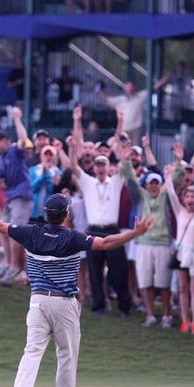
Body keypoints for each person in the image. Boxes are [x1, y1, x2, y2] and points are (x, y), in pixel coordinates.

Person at [0, 191, 151, 387]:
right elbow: (106, 243)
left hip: (37, 301)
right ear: (67, 214)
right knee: (67, 354)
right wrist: (135, 233)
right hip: (64, 303)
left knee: (32, 349)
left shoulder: (30, 233)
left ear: (45, 214)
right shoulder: (73, 238)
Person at [68, 106, 132, 317]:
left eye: (104, 164)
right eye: (98, 165)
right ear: (94, 168)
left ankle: (124, 307)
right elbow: (73, 165)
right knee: (95, 272)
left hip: (112, 230)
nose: (101, 167)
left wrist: (121, 127)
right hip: (93, 230)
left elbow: (124, 162)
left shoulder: (116, 181)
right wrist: (75, 130)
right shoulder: (87, 182)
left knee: (119, 270)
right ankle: (99, 305)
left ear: (107, 166)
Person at [121, 155, 172, 328]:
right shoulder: (141, 197)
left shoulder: (166, 197)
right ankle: (150, 315)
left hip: (163, 243)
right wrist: (125, 160)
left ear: (160, 184)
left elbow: (176, 180)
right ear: (147, 184)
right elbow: (130, 179)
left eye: (157, 183)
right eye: (151, 183)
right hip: (143, 243)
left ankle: (166, 316)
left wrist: (178, 164)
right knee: (145, 281)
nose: (153, 186)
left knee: (163, 283)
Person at [0, 108, 35, 286]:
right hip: (10, 198)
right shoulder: (1, 157)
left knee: (16, 233)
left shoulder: (13, 151)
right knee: (3, 230)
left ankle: (17, 268)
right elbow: (1, 179)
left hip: (22, 196)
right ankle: (8, 265)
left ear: (4, 141)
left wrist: (17, 118)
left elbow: (24, 139)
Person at [163, 163, 194, 334]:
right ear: (184, 198)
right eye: (188, 196)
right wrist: (167, 176)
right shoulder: (180, 211)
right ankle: (185, 321)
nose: (190, 199)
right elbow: (171, 193)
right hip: (181, 253)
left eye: (193, 196)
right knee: (183, 288)